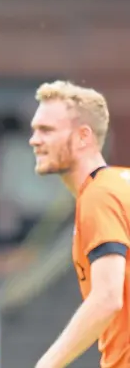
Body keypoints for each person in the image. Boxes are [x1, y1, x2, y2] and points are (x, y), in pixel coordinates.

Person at [30, 81, 129, 368]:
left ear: (83, 136)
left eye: (47, 130)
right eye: (35, 129)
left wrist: (47, 364)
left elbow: (108, 297)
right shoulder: (120, 183)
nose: (34, 139)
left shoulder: (98, 195)